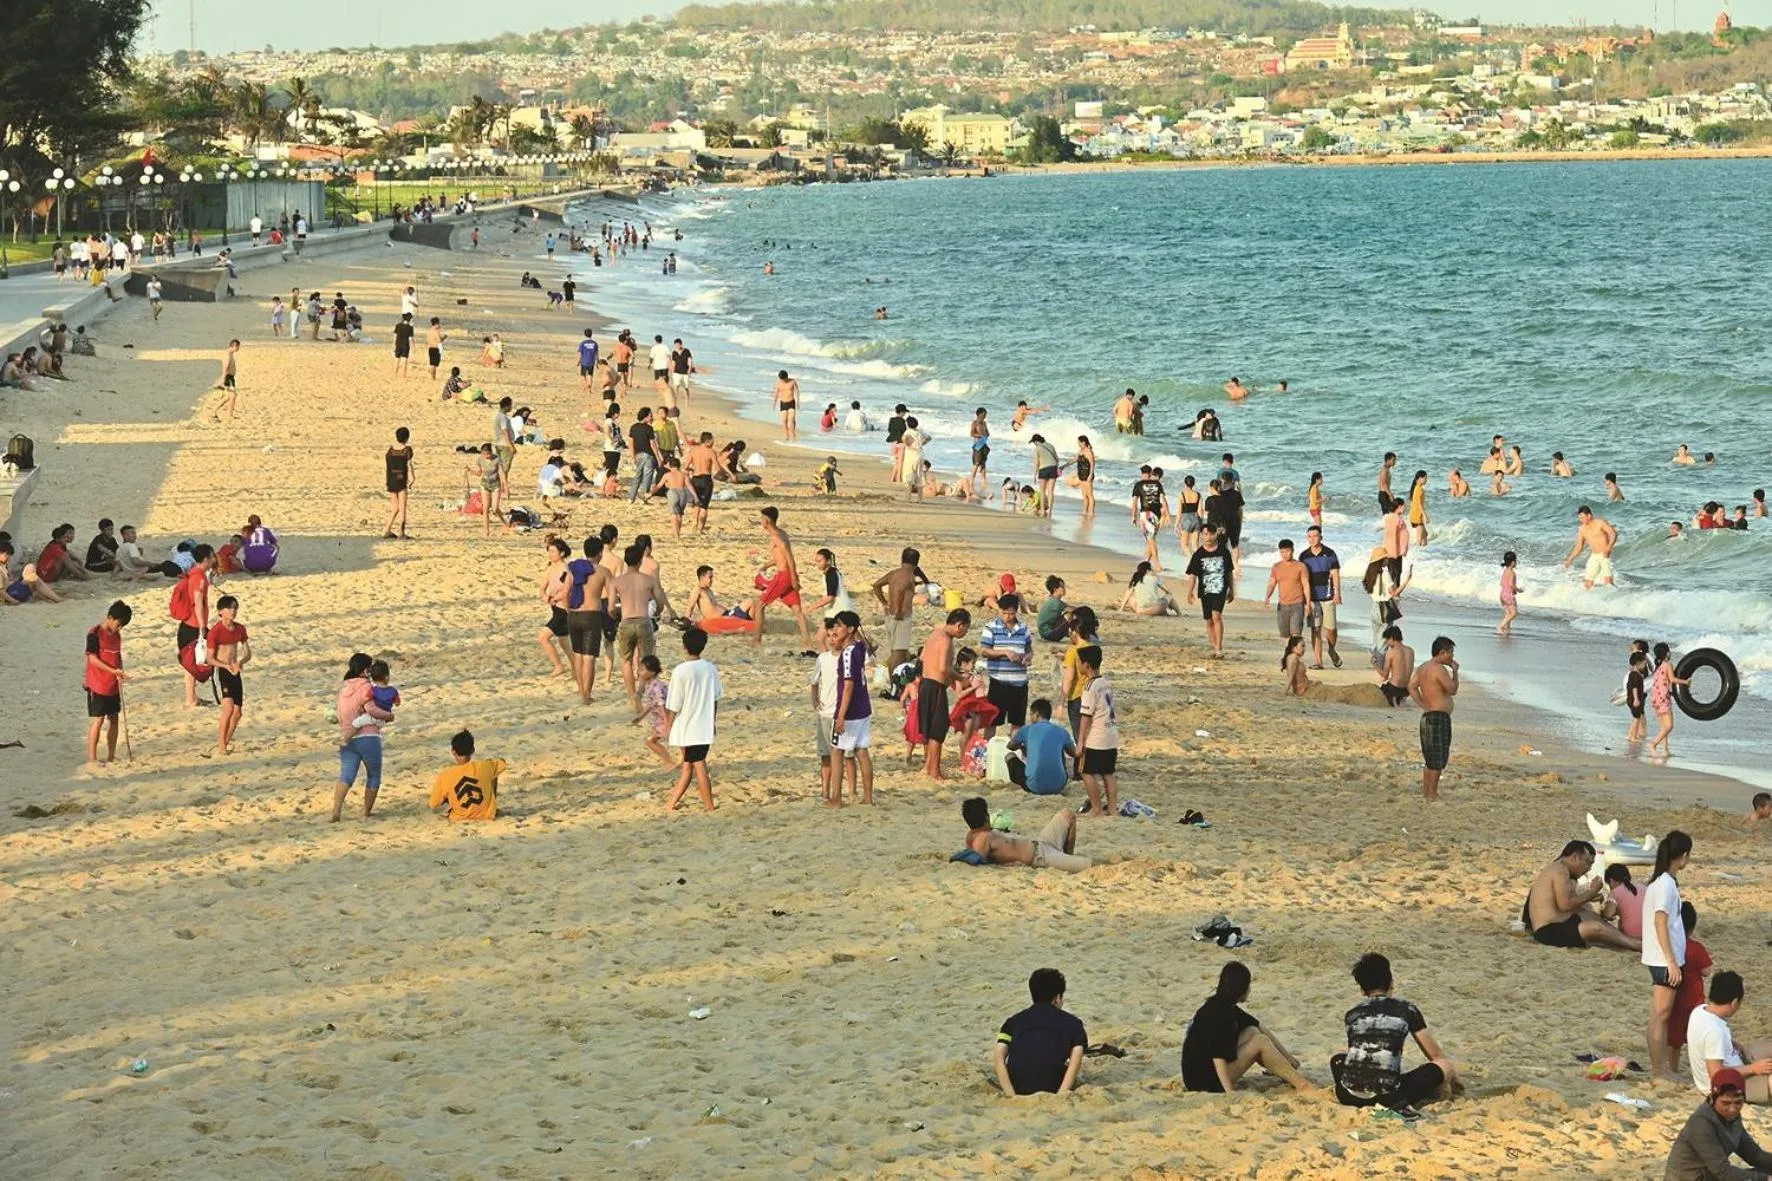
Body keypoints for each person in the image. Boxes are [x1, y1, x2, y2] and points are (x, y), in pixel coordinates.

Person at [1333, 952, 1461, 1115]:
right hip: (1389, 1098)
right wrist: (1453, 1076)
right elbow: (1435, 1055)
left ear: (1362, 990)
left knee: (1338, 1057)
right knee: (1444, 1065)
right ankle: (1436, 1096)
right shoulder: (1406, 1009)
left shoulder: (1352, 1014)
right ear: (1391, 982)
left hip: (1348, 1097)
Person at [1181, 961, 1314, 1094]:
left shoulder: (1223, 1004)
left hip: (1203, 1069)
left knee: (1252, 1031)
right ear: (1241, 989)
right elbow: (1218, 1057)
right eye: (1248, 986)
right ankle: (1302, 1085)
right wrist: (1229, 1091)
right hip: (1203, 1082)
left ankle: (1282, 1068)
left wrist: (1288, 1057)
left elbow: (1259, 1026)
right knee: (1260, 1042)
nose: (1250, 990)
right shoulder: (1219, 1015)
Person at [1522, 839, 1641, 951]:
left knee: (1590, 915)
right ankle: (1634, 945)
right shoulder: (1560, 871)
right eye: (1587, 863)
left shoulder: (1562, 870)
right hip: (1548, 931)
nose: (1588, 869)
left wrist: (1590, 897)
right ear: (1575, 857)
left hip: (1560, 923)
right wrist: (1591, 892)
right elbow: (1565, 905)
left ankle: (1629, 941)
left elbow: (1570, 904)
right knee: (1595, 928)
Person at [1644, 830, 1695, 1081]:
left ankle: (1659, 1069)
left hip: (1660, 957)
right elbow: (1660, 922)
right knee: (1661, 1015)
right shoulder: (1664, 884)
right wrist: (1672, 962)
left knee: (1659, 1014)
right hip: (1663, 959)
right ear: (1682, 856)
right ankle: (1658, 1071)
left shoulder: (1660, 882)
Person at [1663, 1066, 1772, 1180]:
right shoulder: (1701, 1123)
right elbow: (1723, 1172)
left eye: (1738, 1102)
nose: (1732, 1109)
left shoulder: (1732, 1117)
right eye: (1726, 1103)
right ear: (1712, 1099)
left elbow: (1754, 1155)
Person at [994, 967, 1087, 1097]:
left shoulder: (1012, 1022)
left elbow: (999, 1058)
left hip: (1017, 1085)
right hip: (1053, 1085)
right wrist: (1062, 1093)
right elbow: (1076, 1059)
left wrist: (1011, 1095)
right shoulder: (1073, 1023)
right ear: (1057, 998)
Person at [1687, 972, 1772, 1102]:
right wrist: (1753, 1069)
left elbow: (1704, 1040)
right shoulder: (1714, 1031)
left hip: (1736, 1059)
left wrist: (1729, 1043)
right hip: (1726, 1085)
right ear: (1734, 1002)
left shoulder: (1700, 1010)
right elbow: (1716, 1075)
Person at [664, 628, 723, 812]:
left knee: (697, 764)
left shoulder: (680, 671)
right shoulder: (710, 669)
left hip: (687, 726)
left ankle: (709, 806)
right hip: (702, 725)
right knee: (688, 765)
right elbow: (715, 699)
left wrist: (668, 725)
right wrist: (712, 722)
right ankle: (670, 805)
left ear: (684, 646)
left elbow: (674, 703)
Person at [332, 654, 393, 822]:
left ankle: (336, 810)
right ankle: (366, 812)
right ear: (365, 670)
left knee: (346, 775)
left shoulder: (343, 689)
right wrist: (388, 715)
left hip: (347, 738)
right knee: (374, 775)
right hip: (368, 737)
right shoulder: (367, 688)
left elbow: (338, 714)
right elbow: (371, 709)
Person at [963, 796, 1090, 872]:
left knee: (1067, 814)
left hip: (1041, 842)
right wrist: (1005, 864)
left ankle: (1067, 856)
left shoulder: (984, 833)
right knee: (1090, 865)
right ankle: (1067, 860)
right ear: (986, 817)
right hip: (1041, 857)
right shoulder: (983, 838)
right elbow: (978, 861)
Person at [917, 608, 971, 780]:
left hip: (925, 683)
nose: (964, 633)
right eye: (965, 629)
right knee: (937, 730)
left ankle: (928, 766)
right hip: (935, 686)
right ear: (959, 625)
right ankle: (934, 771)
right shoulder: (946, 640)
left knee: (929, 728)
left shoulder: (936, 632)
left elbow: (924, 657)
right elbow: (943, 668)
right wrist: (960, 678)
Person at [754, 506, 814, 652]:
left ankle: (756, 640)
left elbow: (789, 557)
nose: (761, 522)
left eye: (762, 519)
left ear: (767, 520)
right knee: (797, 611)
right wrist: (765, 566)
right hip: (786, 574)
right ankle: (808, 642)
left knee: (759, 605)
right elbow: (779, 558)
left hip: (783, 576)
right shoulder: (782, 533)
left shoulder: (776, 536)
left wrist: (794, 577)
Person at [830, 610, 874, 805]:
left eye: (839, 625)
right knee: (861, 751)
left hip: (851, 711)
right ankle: (868, 798)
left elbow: (848, 686)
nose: (835, 629)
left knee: (837, 752)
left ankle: (837, 798)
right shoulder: (859, 647)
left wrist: (840, 716)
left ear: (849, 629)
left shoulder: (848, 653)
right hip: (864, 707)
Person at [1407, 636, 1458, 800]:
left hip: (1429, 716)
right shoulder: (1438, 668)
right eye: (1450, 652)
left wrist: (1423, 704)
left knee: (1431, 757)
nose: (1452, 656)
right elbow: (1451, 689)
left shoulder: (1423, 667)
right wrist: (1455, 672)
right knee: (1437, 757)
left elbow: (1412, 686)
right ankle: (1432, 793)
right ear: (1442, 652)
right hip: (1438, 717)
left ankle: (1427, 791)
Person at [83, 600, 132, 766]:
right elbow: (92, 659)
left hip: (113, 684)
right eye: (118, 624)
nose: (119, 629)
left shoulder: (117, 636)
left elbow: (117, 657)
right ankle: (92, 758)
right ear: (110, 617)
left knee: (114, 719)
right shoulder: (95, 633)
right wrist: (113, 671)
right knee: (98, 720)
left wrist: (120, 672)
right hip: (97, 683)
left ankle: (111, 755)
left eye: (122, 626)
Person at [979, 593, 1034, 737]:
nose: (1007, 616)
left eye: (1011, 613)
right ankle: (988, 752)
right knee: (992, 721)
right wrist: (1004, 652)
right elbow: (984, 651)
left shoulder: (1023, 628)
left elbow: (1029, 649)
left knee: (1017, 722)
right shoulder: (991, 627)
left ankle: (1012, 753)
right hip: (998, 681)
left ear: (1016, 611)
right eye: (1004, 613)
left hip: (1019, 682)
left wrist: (1028, 657)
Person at [1073, 646, 1118, 817]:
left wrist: (1080, 741)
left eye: (1080, 663)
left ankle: (1097, 808)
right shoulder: (1105, 683)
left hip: (1097, 736)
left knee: (1086, 772)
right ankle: (1113, 809)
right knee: (1108, 773)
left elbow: (1086, 716)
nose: (1079, 666)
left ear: (1087, 665)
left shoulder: (1090, 686)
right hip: (1111, 734)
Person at [170, 545, 216, 708]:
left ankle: (192, 697)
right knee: (192, 663)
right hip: (193, 625)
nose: (214, 559)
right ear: (206, 558)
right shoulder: (199, 577)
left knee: (190, 663)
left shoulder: (193, 573)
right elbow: (197, 602)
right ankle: (190, 699)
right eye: (212, 556)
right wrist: (203, 626)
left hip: (188, 624)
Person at [1672, 901, 1715, 1069]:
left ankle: (1673, 1067)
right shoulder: (1696, 948)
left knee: (1674, 1042)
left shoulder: (1672, 946)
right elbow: (1707, 971)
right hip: (1694, 1003)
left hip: (1674, 1001)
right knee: (1698, 1039)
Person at [207, 594, 252, 758]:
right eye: (229, 608)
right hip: (223, 672)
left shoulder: (240, 629)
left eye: (235, 608)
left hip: (235, 671)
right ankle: (221, 746)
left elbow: (248, 652)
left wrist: (241, 662)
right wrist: (225, 665)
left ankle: (225, 742)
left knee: (238, 712)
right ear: (221, 611)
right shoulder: (215, 632)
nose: (233, 611)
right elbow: (210, 658)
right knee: (228, 708)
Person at [429, 730, 505, 822]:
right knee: (493, 771)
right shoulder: (484, 766)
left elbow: (434, 804)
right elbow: (502, 762)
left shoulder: (445, 775)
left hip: (459, 817)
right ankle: (489, 808)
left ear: (453, 751)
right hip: (486, 815)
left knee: (446, 791)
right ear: (472, 750)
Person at [1184, 528, 1235, 658]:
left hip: (1220, 590)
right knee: (1208, 620)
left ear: (1216, 534)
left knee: (1216, 616)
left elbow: (1229, 573)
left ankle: (1219, 648)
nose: (1209, 537)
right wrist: (1189, 592)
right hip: (1205, 591)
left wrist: (1232, 590)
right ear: (1202, 535)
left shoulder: (1224, 552)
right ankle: (1214, 646)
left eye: (1211, 534)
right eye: (1206, 534)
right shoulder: (1198, 554)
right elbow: (1193, 575)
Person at [1009, 698, 1075, 795]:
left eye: (1031, 714)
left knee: (1009, 757)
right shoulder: (1061, 731)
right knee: (1059, 749)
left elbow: (1011, 746)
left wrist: (1023, 746)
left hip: (1034, 786)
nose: (1030, 718)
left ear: (1036, 714)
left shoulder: (1026, 730)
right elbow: (1073, 753)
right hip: (1059, 785)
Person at [1299, 526, 1342, 668]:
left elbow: (1335, 574)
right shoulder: (1303, 556)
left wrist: (1337, 593)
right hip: (1312, 598)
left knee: (1331, 629)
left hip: (1328, 596)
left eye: (1315, 536)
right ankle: (1319, 661)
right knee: (1315, 629)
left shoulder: (1330, 554)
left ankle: (1331, 649)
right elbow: (1302, 578)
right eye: (1309, 536)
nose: (1312, 539)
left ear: (1321, 537)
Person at [872, 547, 922, 670]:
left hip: (891, 616)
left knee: (898, 651)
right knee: (898, 654)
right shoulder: (908, 576)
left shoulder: (894, 573)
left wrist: (885, 603)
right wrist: (899, 610)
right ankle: (894, 686)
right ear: (916, 563)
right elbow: (900, 590)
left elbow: (876, 585)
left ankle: (897, 680)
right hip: (901, 617)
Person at [1650, 642, 1691, 757]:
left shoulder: (1657, 667)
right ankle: (1653, 744)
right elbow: (1672, 679)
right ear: (1667, 653)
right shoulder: (1668, 665)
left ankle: (1665, 750)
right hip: (1663, 698)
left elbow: (1661, 683)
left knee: (1663, 726)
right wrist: (1685, 682)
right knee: (1669, 726)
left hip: (1656, 697)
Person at [633, 655, 675, 768]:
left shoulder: (656, 686)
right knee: (652, 741)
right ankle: (671, 761)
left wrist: (667, 723)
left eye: (642, 670)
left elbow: (662, 704)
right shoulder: (651, 685)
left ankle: (670, 762)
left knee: (651, 741)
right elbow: (651, 704)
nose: (639, 672)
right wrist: (640, 716)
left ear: (651, 672)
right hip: (662, 719)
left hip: (665, 718)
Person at [1564, 505, 1619, 590]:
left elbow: (1613, 534)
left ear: (1589, 515)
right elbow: (1579, 546)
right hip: (1594, 556)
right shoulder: (1582, 529)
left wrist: (1609, 548)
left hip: (1604, 555)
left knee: (1608, 582)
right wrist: (1570, 559)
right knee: (1588, 583)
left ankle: (1618, 595)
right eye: (1579, 518)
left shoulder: (1600, 523)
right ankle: (1591, 600)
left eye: (1582, 517)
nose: (1580, 520)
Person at [1264, 539, 1310, 639]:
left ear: (1293, 551)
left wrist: (1308, 604)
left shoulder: (1301, 566)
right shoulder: (1276, 567)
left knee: (1296, 635)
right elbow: (1272, 583)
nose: (1285, 554)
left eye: (1287, 551)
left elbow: (1306, 586)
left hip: (1297, 604)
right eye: (1282, 552)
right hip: (1282, 605)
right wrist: (1268, 596)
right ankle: (1288, 654)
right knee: (1285, 636)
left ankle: (1295, 653)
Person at [466, 444, 506, 538]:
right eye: (484, 454)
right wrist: (470, 471)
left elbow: (502, 474)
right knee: (485, 508)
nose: (486, 456)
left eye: (487, 454)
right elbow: (480, 473)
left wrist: (506, 487)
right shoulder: (480, 460)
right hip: (485, 485)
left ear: (491, 452)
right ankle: (486, 531)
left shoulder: (497, 459)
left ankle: (504, 522)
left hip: (495, 484)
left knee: (495, 508)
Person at [384, 427, 414, 539]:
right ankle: (401, 532)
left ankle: (387, 529)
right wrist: (413, 479)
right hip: (401, 481)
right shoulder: (407, 451)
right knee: (402, 507)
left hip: (391, 480)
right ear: (407, 438)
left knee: (395, 507)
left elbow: (388, 466)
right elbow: (409, 465)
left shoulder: (390, 451)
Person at [1378, 625, 1414, 706]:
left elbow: (1385, 675)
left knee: (1379, 690)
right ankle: (1401, 699)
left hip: (1394, 689)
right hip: (1406, 689)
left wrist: (1374, 665)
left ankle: (1394, 699)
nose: (1387, 643)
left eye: (1387, 640)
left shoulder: (1391, 652)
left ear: (1391, 638)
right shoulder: (1411, 651)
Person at [1627, 649, 1651, 744]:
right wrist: (1636, 699)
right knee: (1636, 718)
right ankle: (1633, 736)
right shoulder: (1635, 675)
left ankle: (1631, 734)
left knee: (1635, 717)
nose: (1645, 665)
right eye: (1644, 664)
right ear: (1638, 663)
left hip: (1632, 699)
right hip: (1635, 699)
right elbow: (1634, 688)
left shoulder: (1633, 674)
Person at [1035, 576, 1069, 643]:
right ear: (1055, 589)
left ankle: (1072, 634)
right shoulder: (1056, 603)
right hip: (1049, 634)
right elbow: (1074, 610)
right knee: (1070, 615)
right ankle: (1076, 636)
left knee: (1066, 615)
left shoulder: (1052, 600)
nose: (1064, 589)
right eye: (1062, 587)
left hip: (1044, 633)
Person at [213, 339, 241, 421]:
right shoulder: (228, 355)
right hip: (228, 377)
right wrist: (223, 380)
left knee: (229, 396)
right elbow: (225, 368)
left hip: (231, 378)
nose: (238, 349)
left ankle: (215, 411)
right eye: (238, 347)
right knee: (233, 396)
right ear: (234, 346)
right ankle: (229, 414)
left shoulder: (230, 354)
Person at [772, 369, 800, 441]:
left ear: (787, 377)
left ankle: (793, 434)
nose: (783, 380)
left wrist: (798, 402)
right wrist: (774, 404)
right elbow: (776, 394)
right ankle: (787, 436)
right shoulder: (778, 383)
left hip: (791, 402)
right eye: (781, 379)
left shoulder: (792, 381)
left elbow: (797, 391)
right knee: (784, 421)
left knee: (791, 419)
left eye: (784, 379)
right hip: (783, 403)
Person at [1498, 550, 1521, 636]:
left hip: (1502, 594)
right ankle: (1501, 626)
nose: (1516, 563)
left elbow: (1501, 583)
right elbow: (1511, 584)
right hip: (1508, 595)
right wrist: (1518, 590)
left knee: (1508, 613)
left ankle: (1507, 629)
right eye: (1515, 561)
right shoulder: (1512, 572)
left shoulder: (1505, 571)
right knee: (1514, 613)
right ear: (1512, 562)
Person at [1407, 470, 1430, 545]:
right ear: (1420, 478)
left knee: (1425, 535)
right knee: (1419, 538)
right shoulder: (1419, 489)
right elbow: (1419, 504)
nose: (1426, 480)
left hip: (1416, 515)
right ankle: (1416, 554)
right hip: (1416, 516)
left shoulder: (1416, 488)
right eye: (1425, 478)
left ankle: (1424, 552)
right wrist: (1425, 515)